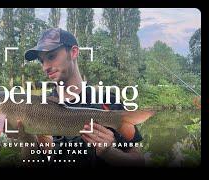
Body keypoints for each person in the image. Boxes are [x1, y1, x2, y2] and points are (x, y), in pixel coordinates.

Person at [17, 28, 144, 167]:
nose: (45, 67)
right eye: (42, 61)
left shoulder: (107, 102)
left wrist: (109, 152)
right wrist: (26, 138)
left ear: (73, 52)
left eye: (51, 56)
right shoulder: (38, 107)